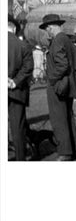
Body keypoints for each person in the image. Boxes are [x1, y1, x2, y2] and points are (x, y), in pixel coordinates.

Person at [39, 14, 76, 160]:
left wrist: (51, 78)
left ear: (50, 27)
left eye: (46, 29)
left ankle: (64, 153)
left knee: (59, 119)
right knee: (68, 116)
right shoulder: (66, 39)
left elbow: (62, 65)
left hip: (57, 85)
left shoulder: (57, 41)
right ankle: (74, 148)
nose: (47, 31)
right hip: (67, 85)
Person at [8, 14, 34, 161]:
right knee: (18, 128)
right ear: (14, 28)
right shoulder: (23, 45)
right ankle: (20, 159)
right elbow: (28, 68)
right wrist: (14, 82)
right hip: (17, 91)